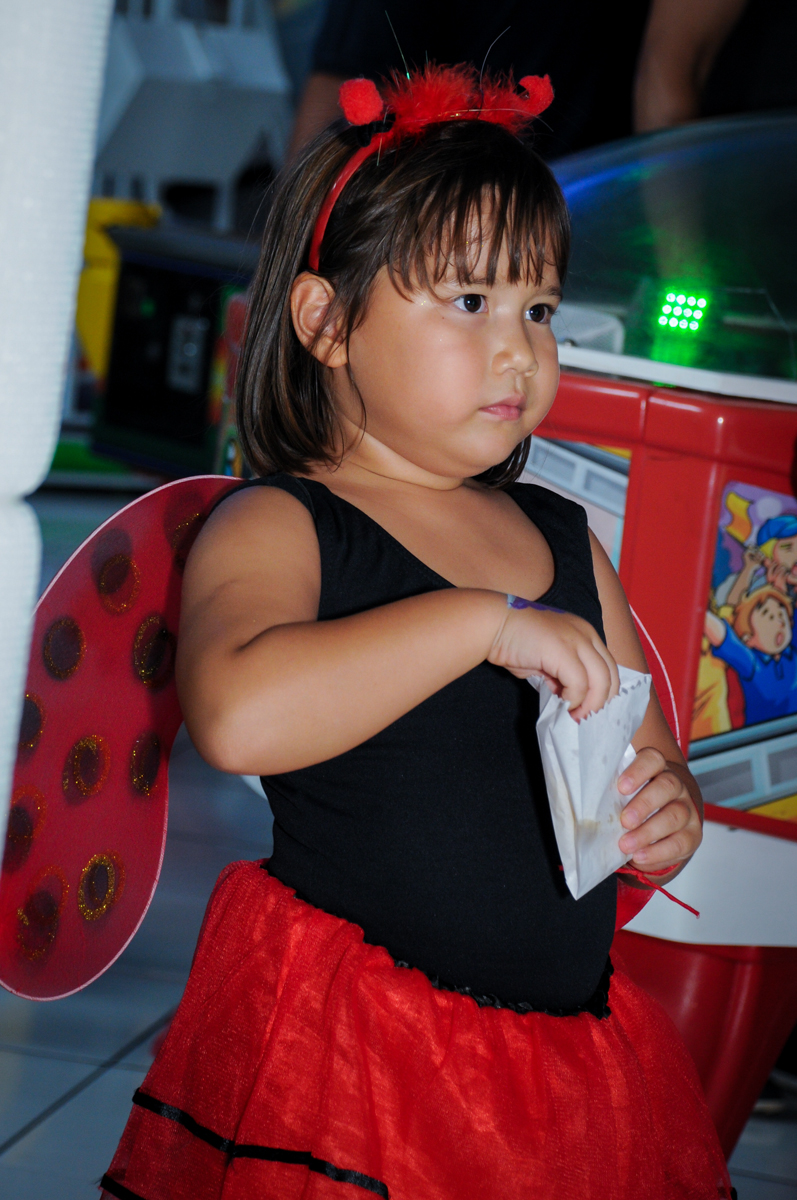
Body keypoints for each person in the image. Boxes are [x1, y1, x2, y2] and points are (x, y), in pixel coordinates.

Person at [101, 66, 732, 1200]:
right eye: (468, 302)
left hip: (561, 1069)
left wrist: (664, 811)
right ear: (326, 321)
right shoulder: (283, 524)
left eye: (537, 309)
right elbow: (240, 716)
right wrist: (478, 628)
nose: (518, 348)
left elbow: (638, 754)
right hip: (355, 1061)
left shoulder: (562, 536)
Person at [705, 586, 797, 727]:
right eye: (769, 617)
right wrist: (699, 612)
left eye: (781, 615)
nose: (779, 623)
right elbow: (724, 637)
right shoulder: (754, 665)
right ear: (748, 638)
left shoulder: (792, 654)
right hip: (762, 740)